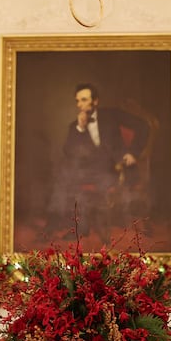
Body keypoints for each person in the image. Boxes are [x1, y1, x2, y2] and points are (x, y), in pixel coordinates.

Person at [57, 83, 151, 240]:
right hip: (90, 171)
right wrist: (80, 128)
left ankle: (102, 230)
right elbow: (68, 152)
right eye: (78, 101)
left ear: (95, 101)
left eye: (84, 100)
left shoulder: (112, 115)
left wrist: (133, 153)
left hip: (116, 169)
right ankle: (80, 227)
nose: (80, 105)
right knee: (66, 179)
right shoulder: (75, 126)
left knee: (102, 181)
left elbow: (143, 126)